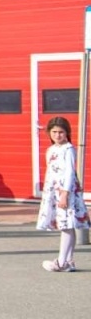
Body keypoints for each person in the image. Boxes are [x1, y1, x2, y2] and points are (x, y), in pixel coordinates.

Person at [36, 116, 89, 272]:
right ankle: (68, 261)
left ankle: (61, 261)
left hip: (66, 191)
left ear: (67, 133)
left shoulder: (68, 149)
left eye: (61, 132)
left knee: (66, 225)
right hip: (54, 191)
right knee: (66, 226)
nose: (57, 135)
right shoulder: (51, 150)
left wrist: (65, 193)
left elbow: (69, 173)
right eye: (54, 132)